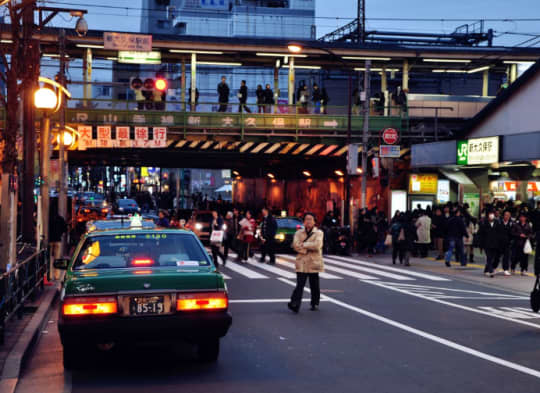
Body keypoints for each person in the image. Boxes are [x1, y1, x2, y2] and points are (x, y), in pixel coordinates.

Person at [288, 212, 324, 313]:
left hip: (313, 261)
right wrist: (307, 247)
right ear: (303, 221)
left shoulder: (319, 233)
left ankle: (315, 302)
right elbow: (295, 245)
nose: (308, 221)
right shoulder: (298, 233)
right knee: (300, 284)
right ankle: (295, 304)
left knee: (314, 284)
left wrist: (303, 245)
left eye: (310, 219)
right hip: (302, 262)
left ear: (314, 221)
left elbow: (317, 245)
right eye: (306, 219)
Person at [478, 210, 502, 277]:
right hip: (486, 243)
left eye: (492, 214)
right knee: (489, 257)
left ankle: (486, 270)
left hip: (495, 243)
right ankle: (491, 270)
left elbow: (499, 233)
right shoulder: (484, 223)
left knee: (492, 258)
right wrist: (480, 245)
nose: (491, 215)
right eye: (490, 214)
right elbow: (480, 235)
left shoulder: (497, 223)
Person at [49, 210, 67, 280]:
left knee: (50, 259)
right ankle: (57, 275)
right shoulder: (61, 219)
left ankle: (50, 275)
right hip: (58, 240)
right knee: (57, 258)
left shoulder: (49, 219)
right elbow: (65, 229)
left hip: (50, 240)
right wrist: (60, 233)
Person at [495, 210, 513, 275]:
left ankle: (505, 269)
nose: (507, 216)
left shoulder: (511, 223)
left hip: (507, 243)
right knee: (497, 256)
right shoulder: (499, 222)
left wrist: (510, 240)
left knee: (506, 256)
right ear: (503, 215)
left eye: (508, 215)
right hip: (499, 242)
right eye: (505, 215)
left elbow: (512, 233)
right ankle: (494, 267)